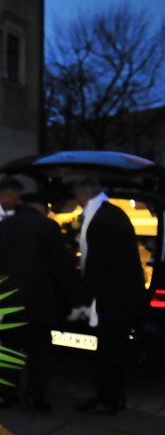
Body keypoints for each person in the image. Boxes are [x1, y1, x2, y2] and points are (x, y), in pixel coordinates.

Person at [0, 193, 78, 412]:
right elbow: (60, 264)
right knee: (39, 355)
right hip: (38, 303)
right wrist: (72, 297)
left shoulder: (3, 226)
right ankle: (35, 397)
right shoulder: (47, 227)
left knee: (10, 351)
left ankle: (8, 394)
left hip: (9, 301)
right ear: (42, 207)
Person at [72, 177, 146, 415]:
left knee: (109, 352)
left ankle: (108, 400)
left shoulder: (102, 219)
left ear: (83, 197)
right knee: (112, 351)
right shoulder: (112, 214)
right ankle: (113, 397)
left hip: (114, 297)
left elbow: (97, 264)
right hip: (121, 295)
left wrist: (84, 296)